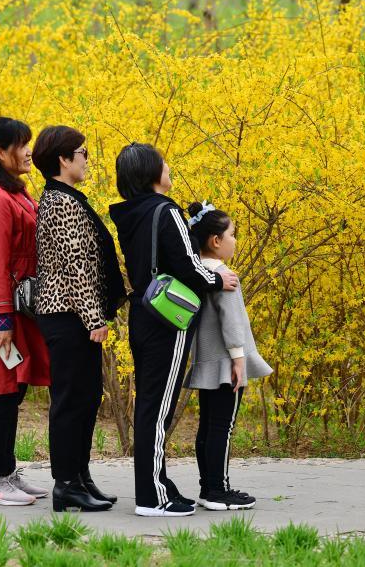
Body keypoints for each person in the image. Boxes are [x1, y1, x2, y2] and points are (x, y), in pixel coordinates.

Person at [109, 143, 239, 518]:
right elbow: (187, 265)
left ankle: (158, 485)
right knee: (157, 406)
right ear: (152, 174)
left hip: (142, 315)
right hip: (168, 320)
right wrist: (217, 277)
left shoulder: (130, 214)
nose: (170, 167)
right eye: (164, 163)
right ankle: (152, 496)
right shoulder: (166, 211)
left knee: (151, 404)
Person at [32, 125, 127, 512]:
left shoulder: (67, 198)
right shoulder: (60, 202)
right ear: (63, 159)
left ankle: (80, 475)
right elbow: (76, 266)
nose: (87, 159)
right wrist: (93, 317)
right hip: (68, 316)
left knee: (86, 398)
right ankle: (66, 483)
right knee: (72, 400)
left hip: (75, 315)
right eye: (83, 152)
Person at [0, 117, 51, 506]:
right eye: (22, 144)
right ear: (1, 152)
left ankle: (4, 470)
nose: (28, 151)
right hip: (0, 306)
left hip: (17, 304)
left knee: (13, 390)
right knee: (0, 392)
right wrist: (1, 318)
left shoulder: (13, 191)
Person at [184, 201, 272, 511]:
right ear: (215, 241)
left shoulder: (198, 273)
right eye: (232, 234)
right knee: (223, 427)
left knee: (208, 426)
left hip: (209, 362)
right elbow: (233, 322)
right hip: (227, 364)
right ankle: (218, 490)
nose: (236, 240)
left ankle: (208, 486)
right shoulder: (223, 275)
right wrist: (239, 361)